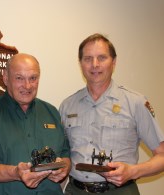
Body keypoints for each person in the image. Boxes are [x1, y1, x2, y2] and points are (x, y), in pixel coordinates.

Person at [59, 33, 164, 195]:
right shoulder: (67, 106)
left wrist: (133, 171)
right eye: (88, 58)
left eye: (102, 58)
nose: (95, 64)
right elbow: (64, 155)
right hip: (75, 190)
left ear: (113, 62)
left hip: (119, 191)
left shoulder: (135, 102)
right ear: (80, 64)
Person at [0, 53, 71, 195]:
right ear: (5, 77)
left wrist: (63, 169)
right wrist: (16, 173)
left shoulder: (52, 112)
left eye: (33, 78)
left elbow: (65, 155)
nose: (27, 85)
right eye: (19, 78)